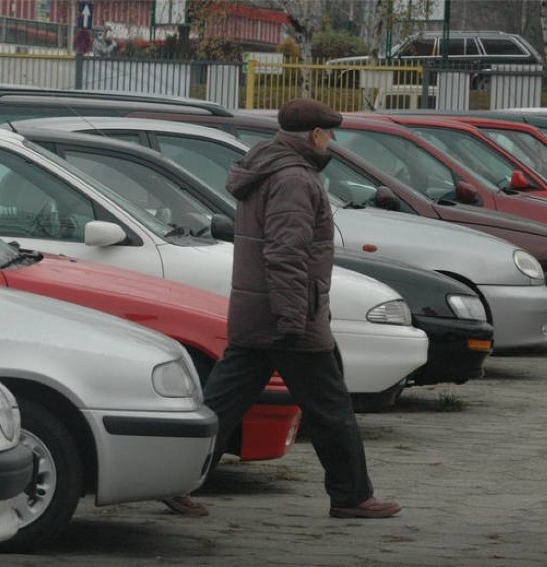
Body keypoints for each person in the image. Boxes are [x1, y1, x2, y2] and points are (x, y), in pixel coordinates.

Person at [162, 98, 401, 519]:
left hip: (259, 313)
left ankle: (172, 480)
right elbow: (286, 252)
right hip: (288, 316)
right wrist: (294, 318)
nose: (332, 141)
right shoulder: (295, 179)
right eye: (329, 133)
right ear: (314, 135)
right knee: (331, 410)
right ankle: (351, 496)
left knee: (220, 405)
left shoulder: (268, 167)